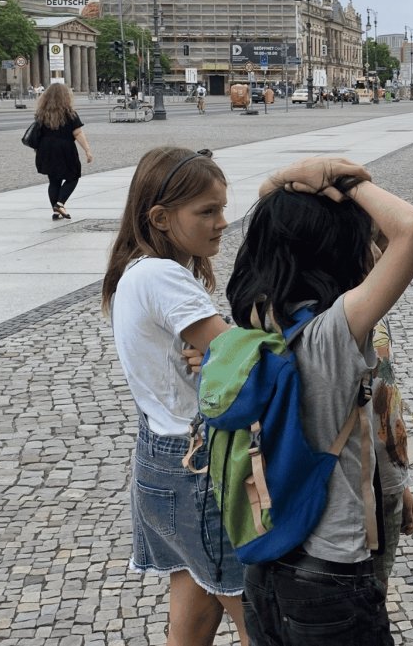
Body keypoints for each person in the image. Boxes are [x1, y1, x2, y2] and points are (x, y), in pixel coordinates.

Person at [226, 156, 413, 645]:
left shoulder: (260, 319)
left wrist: (284, 179)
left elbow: (274, 220)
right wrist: (346, 181)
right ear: (336, 252)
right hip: (330, 574)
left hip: (266, 562)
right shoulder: (332, 336)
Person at [100, 146, 252, 646]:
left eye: (223, 208)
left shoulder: (137, 273)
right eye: (207, 211)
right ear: (161, 218)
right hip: (198, 464)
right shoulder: (163, 276)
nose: (222, 222)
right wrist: (228, 348)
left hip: (160, 455)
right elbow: (242, 359)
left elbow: (216, 353)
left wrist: (214, 354)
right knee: (258, 618)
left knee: (194, 604)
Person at [370, 314, 413, 593]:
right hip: (372, 490)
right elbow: (383, 415)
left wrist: (401, 487)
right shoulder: (369, 316)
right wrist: (397, 487)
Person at [32, 84, 93, 220]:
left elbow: (37, 133)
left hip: (46, 149)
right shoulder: (69, 113)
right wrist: (87, 150)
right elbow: (77, 133)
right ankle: (60, 203)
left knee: (54, 180)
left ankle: (56, 211)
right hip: (65, 148)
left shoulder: (41, 113)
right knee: (73, 176)